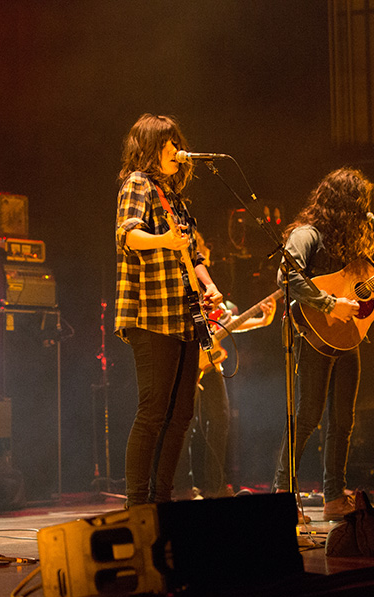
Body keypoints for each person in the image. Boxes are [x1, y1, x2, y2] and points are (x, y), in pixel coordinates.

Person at [272, 167, 374, 520]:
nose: (364, 210)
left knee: (343, 420)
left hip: (348, 338)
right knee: (307, 416)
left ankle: (334, 496)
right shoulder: (307, 234)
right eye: (359, 203)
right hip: (314, 335)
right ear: (342, 203)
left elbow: (363, 294)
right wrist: (327, 303)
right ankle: (280, 494)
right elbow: (286, 275)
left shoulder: (352, 246)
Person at [114, 114, 223, 507]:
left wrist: (210, 288)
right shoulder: (137, 184)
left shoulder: (172, 196)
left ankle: (162, 500)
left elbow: (191, 254)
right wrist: (163, 239)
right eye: (169, 143)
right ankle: (137, 503)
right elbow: (128, 233)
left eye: (178, 141)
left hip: (185, 315)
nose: (178, 150)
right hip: (152, 313)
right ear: (149, 148)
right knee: (153, 411)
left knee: (181, 415)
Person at [176, 232, 277, 499]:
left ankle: (215, 485)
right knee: (185, 425)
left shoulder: (210, 288)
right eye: (201, 246)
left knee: (219, 421)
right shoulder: (181, 282)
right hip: (188, 362)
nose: (206, 249)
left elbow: (227, 324)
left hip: (212, 365)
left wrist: (262, 322)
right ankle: (183, 487)